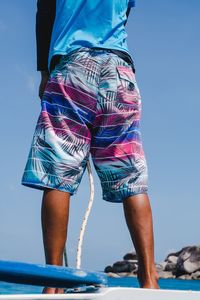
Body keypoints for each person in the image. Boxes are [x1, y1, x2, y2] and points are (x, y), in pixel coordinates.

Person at [22, 0, 159, 293]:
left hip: (71, 67)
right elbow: (123, 14)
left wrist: (44, 73)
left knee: (57, 174)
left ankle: (53, 284)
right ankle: (150, 281)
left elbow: (44, 14)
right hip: (119, 71)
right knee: (131, 176)